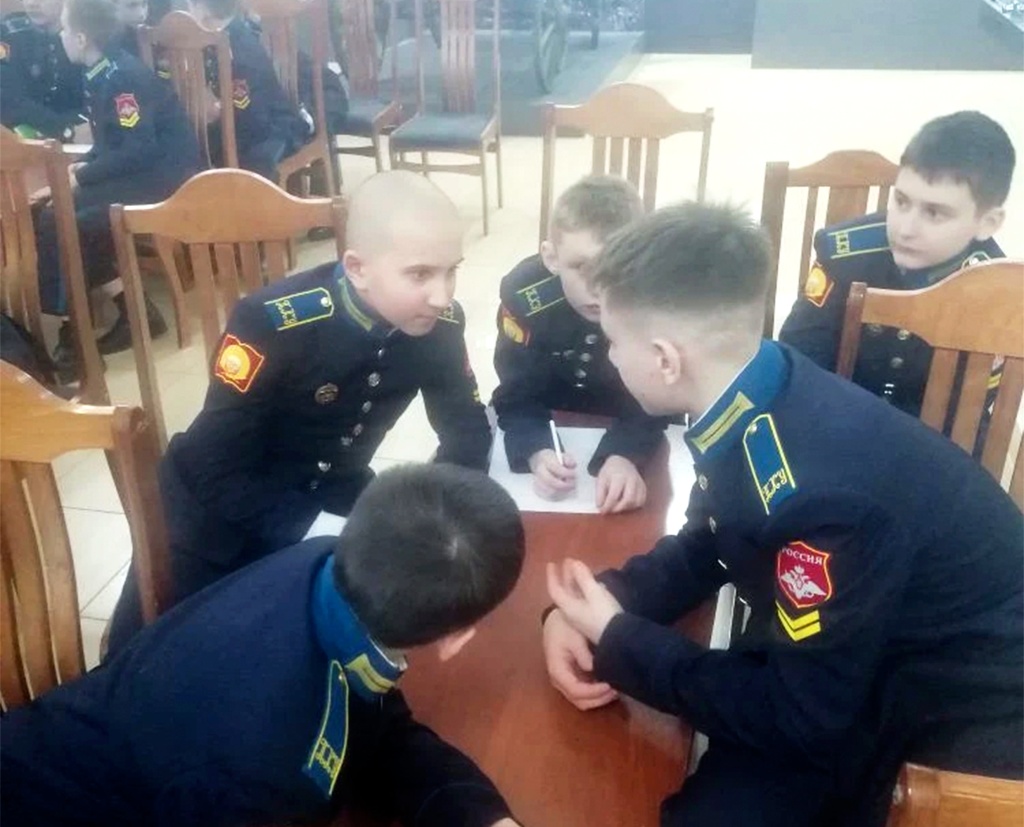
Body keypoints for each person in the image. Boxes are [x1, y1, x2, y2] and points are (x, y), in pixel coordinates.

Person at [541, 202, 1024, 827]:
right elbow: (716, 540)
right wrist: (597, 606)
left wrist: (621, 641)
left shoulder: (820, 502)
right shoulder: (760, 383)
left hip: (950, 696)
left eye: (613, 341)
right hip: (850, 649)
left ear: (665, 359)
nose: (610, 358)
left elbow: (802, 718)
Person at [1, 463, 524, 827]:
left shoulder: (329, 568)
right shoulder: (265, 763)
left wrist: (476, 813)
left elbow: (374, 730)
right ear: (455, 640)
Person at [105, 170, 494, 655]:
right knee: (155, 662)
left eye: (451, 270)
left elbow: (465, 430)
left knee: (338, 653)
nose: (443, 295)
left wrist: (445, 525)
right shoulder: (271, 323)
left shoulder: (439, 324)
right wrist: (321, 528)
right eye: (420, 274)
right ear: (357, 268)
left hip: (332, 495)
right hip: (213, 522)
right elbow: (214, 468)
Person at [778, 111, 1015, 418]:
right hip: (838, 418)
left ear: (988, 222)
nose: (905, 229)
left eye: (934, 213)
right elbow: (800, 356)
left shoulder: (998, 292)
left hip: (934, 435)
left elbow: (969, 408)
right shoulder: (844, 256)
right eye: (901, 202)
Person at [35, 0, 203, 378]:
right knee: (64, 214)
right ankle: (132, 312)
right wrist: (83, 165)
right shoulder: (100, 70)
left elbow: (139, 148)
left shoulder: (122, 77)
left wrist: (85, 177)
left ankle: (73, 336)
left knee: (61, 218)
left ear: (81, 38)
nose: (61, 35)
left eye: (65, 29)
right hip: (141, 168)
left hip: (164, 175)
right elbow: (110, 141)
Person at [492, 175, 666, 513]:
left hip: (632, 418)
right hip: (551, 413)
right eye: (581, 266)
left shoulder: (657, 298)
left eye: (616, 267)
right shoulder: (525, 298)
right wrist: (536, 450)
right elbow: (515, 392)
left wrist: (625, 453)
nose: (598, 286)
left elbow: (665, 393)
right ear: (551, 257)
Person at [188, 0, 309, 181]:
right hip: (224, 129)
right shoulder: (195, 39)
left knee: (254, 160)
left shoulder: (241, 49)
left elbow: (256, 121)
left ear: (199, 9)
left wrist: (218, 112)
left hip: (265, 128)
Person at [0, 0, 85, 140]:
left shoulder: (87, 33)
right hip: (20, 141)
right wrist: (63, 129)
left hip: (83, 137)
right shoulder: (8, 34)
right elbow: (7, 99)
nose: (31, 3)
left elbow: (99, 94)